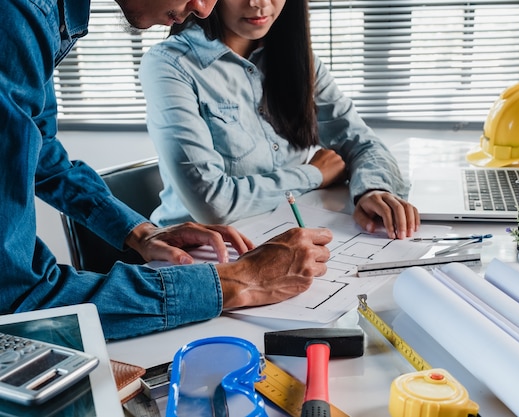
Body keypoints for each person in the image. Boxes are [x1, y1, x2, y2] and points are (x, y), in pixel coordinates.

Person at [1, 0, 333, 341]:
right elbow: (19, 300)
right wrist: (235, 282)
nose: (204, 10)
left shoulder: (47, 18)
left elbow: (40, 150)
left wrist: (139, 232)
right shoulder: (16, 15)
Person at [139, 0, 420, 240]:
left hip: (282, 234)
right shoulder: (169, 65)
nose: (259, 3)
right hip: (197, 253)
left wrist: (372, 189)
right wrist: (314, 175)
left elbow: (360, 141)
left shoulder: (297, 59)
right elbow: (212, 204)